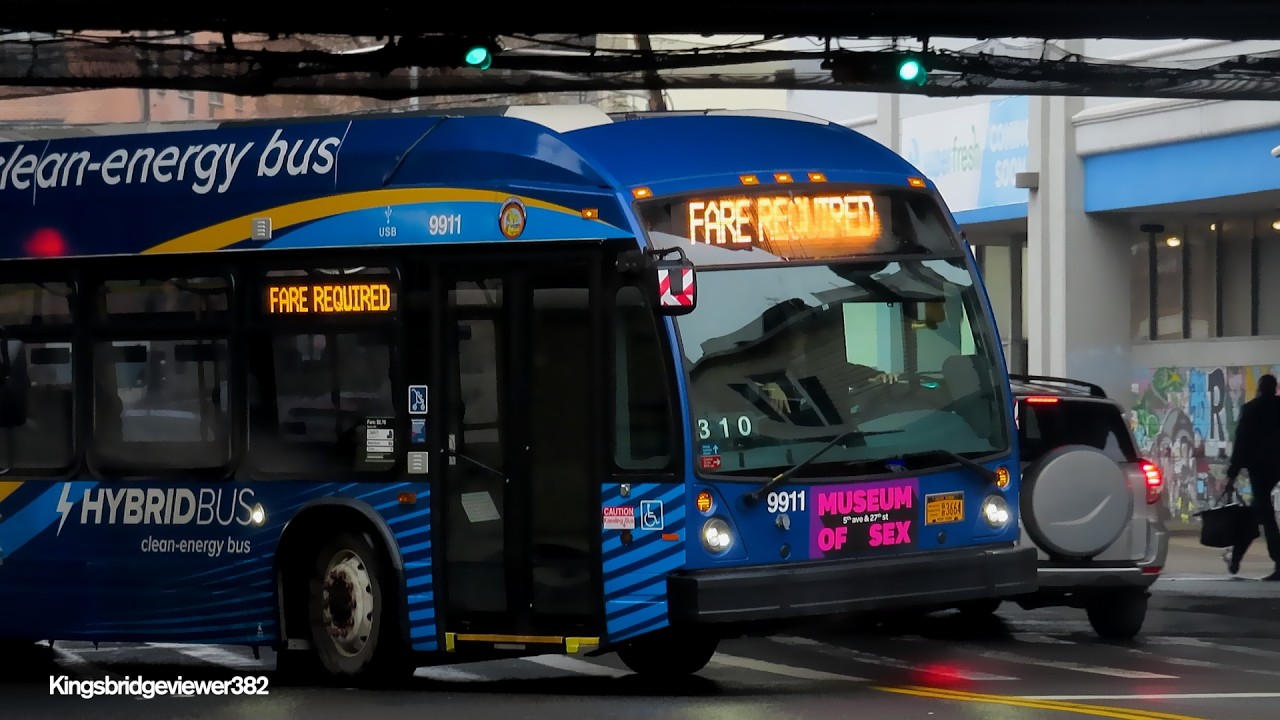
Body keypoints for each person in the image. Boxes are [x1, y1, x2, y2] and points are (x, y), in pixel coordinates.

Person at [1223, 373, 1280, 581]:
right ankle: (1236, 556)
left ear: (1259, 388)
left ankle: (1240, 556)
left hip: (1260, 469)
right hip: (1275, 467)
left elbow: (1241, 445)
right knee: (1259, 511)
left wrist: (1231, 477)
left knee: (1262, 513)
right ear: (1275, 389)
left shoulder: (1251, 409)